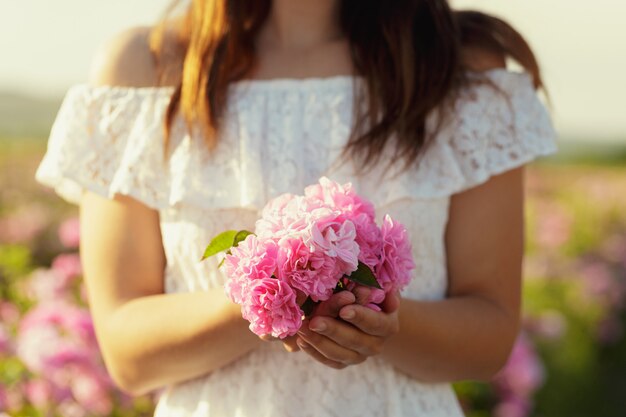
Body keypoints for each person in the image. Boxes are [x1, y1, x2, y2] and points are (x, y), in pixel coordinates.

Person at [35, 0, 558, 416]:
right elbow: (128, 354)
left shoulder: (460, 65)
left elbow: (489, 334)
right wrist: (274, 293)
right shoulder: (145, 69)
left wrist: (380, 324)